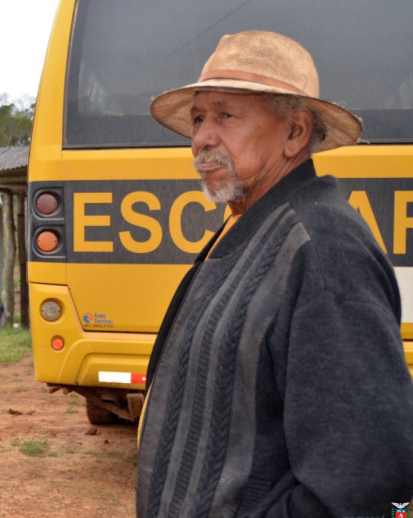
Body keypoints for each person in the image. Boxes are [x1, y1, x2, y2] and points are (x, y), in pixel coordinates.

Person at [136, 30, 413, 517]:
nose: (201, 137)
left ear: (295, 133)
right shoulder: (247, 227)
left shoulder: (325, 249)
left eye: (226, 114)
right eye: (199, 118)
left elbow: (365, 483)